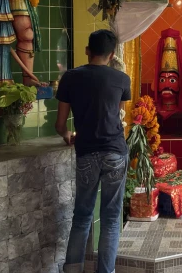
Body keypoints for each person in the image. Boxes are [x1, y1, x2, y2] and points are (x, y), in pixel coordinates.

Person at [55, 30, 131, 273]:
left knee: (82, 217)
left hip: (86, 152)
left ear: (87, 50)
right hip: (115, 153)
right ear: (111, 55)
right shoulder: (122, 80)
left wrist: (67, 135)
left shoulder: (70, 77)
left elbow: (60, 124)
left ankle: (72, 270)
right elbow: (117, 114)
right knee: (110, 220)